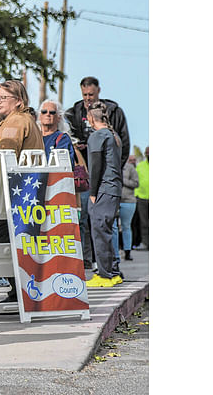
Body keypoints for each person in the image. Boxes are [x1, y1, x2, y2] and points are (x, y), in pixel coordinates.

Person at [0, 80, 44, 303]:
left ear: (19, 101)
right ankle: (19, 292)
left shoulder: (15, 122)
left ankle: (19, 292)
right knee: (16, 241)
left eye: (4, 98)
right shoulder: (25, 120)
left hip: (11, 195)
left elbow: (6, 158)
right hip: (23, 192)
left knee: (6, 240)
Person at [65, 77, 130, 272]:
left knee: (106, 222)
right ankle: (90, 261)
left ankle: (111, 264)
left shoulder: (112, 112)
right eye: (84, 95)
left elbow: (123, 144)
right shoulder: (75, 111)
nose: (87, 99)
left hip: (104, 178)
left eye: (91, 95)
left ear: (98, 91)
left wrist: (113, 169)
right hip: (85, 173)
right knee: (88, 219)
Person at [84, 101, 123, 288]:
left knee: (99, 231)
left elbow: (96, 165)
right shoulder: (113, 135)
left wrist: (93, 192)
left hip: (103, 189)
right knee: (107, 231)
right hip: (113, 188)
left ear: (91, 118)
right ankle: (113, 272)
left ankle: (105, 274)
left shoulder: (97, 136)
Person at [113, 155, 139, 263]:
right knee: (113, 227)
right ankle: (115, 253)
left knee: (126, 226)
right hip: (113, 200)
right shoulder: (111, 167)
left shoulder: (130, 168)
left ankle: (127, 251)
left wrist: (123, 180)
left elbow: (136, 183)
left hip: (128, 201)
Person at [37, 99, 75, 166]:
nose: (48, 114)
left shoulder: (62, 138)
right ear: (40, 116)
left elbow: (64, 166)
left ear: (59, 117)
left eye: (52, 112)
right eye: (44, 112)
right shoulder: (33, 137)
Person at [134, 147, 149, 250]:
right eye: (147, 153)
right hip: (142, 198)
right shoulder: (140, 166)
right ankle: (145, 243)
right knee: (144, 223)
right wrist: (137, 195)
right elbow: (136, 180)